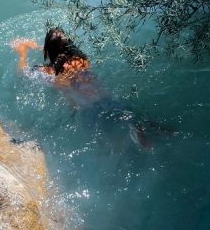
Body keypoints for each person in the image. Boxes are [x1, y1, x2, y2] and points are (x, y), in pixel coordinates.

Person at [10, 28, 151, 147]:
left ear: (50, 51)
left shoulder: (50, 73)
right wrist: (42, 47)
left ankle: (127, 143)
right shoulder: (82, 60)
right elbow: (62, 53)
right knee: (131, 119)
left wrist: (22, 53)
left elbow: (22, 73)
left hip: (90, 110)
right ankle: (141, 131)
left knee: (109, 144)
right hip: (108, 98)